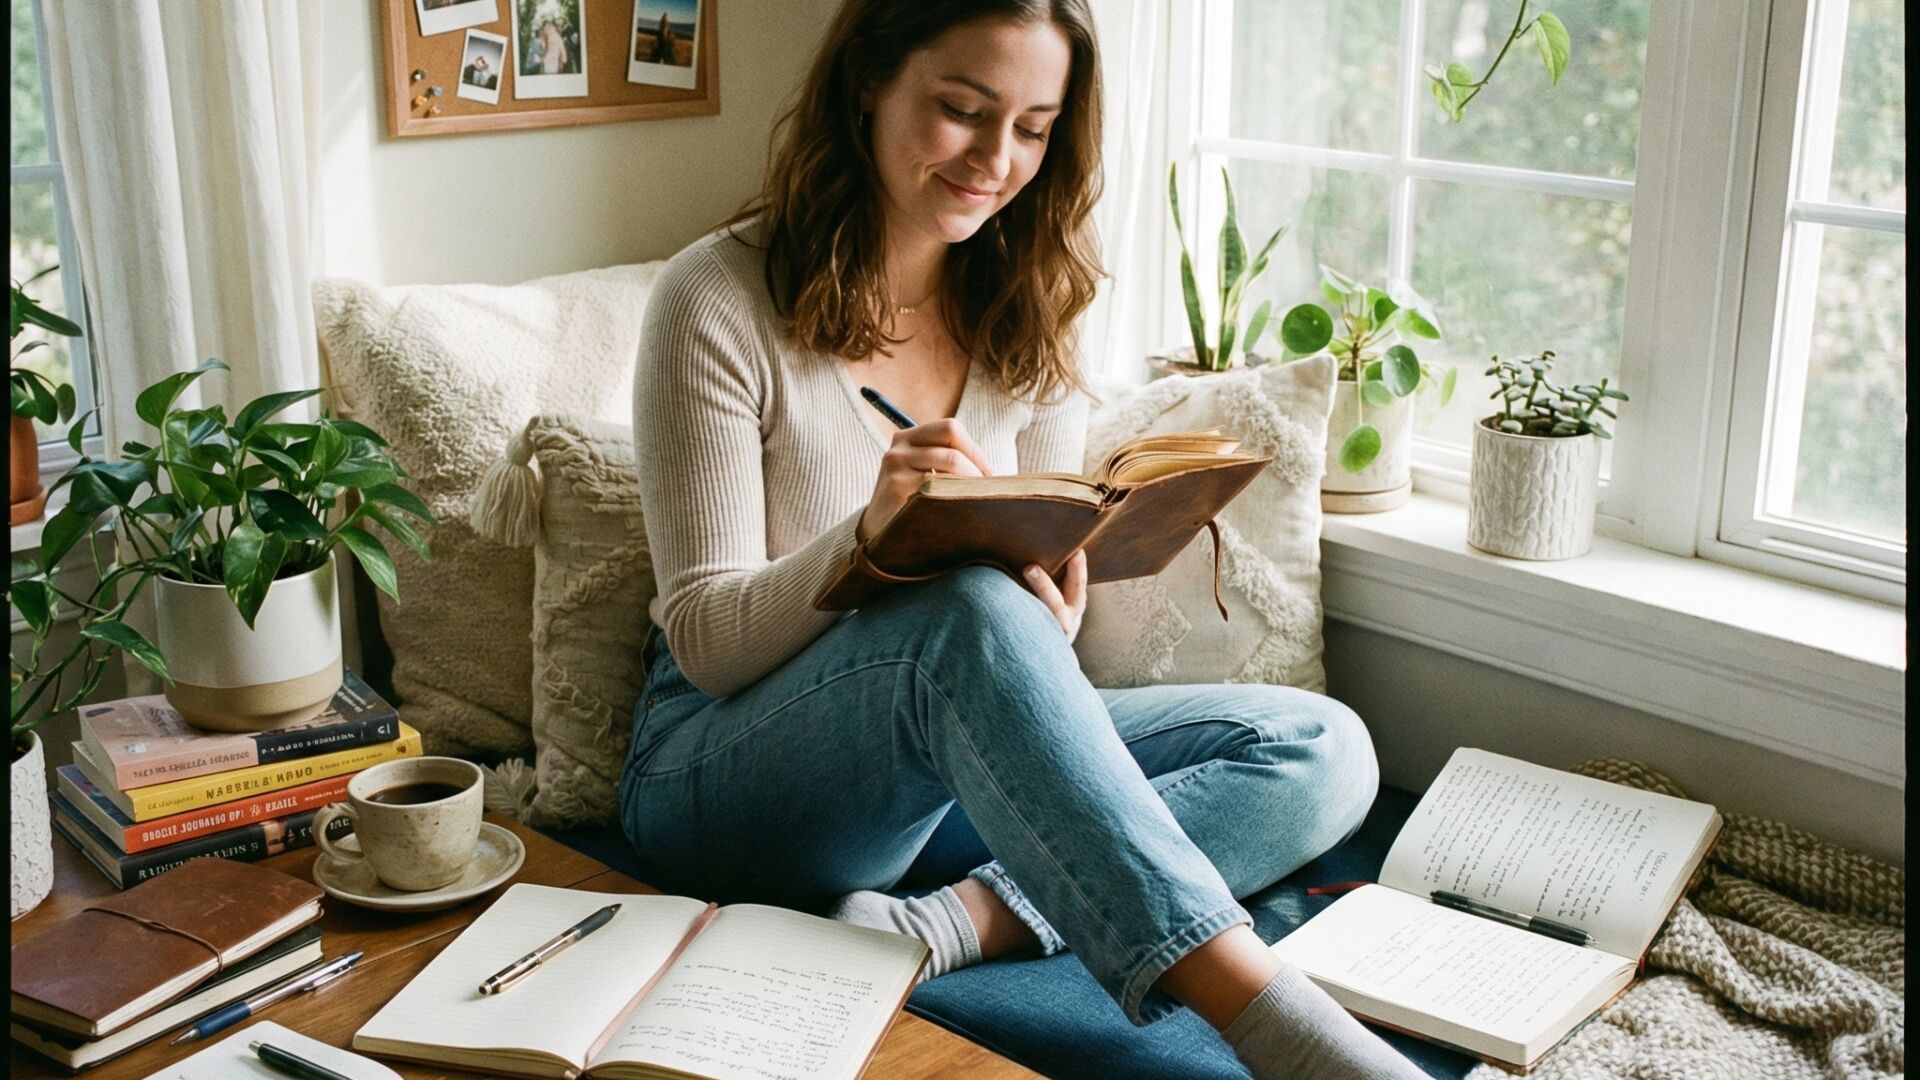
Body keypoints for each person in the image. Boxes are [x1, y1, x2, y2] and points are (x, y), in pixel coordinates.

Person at [619, 2, 1423, 1077]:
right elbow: (709, 645)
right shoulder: (713, 300)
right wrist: (869, 538)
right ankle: (1280, 1027)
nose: (996, 161)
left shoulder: (1030, 302)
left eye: (1034, 129)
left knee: (1322, 747)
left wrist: (1053, 608)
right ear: (867, 81)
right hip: (723, 772)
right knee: (960, 607)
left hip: (941, 762)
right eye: (963, 110)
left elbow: (1033, 614)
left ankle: (937, 926)